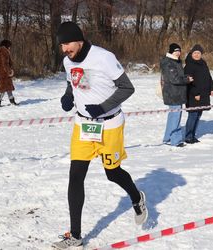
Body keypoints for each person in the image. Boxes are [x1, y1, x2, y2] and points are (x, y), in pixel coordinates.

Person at [52, 21, 148, 249]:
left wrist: (103, 107)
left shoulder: (103, 57)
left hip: (110, 125)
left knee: (112, 173)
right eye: (61, 45)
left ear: (79, 39)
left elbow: (127, 88)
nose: (65, 49)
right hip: (83, 125)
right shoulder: (67, 62)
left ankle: (137, 198)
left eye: (67, 43)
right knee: (75, 176)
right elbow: (73, 83)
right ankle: (75, 236)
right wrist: (68, 97)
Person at [160, 43, 193, 147]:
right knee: (175, 117)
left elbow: (178, 75)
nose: (178, 53)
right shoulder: (168, 62)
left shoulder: (176, 61)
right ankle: (175, 141)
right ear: (171, 52)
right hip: (173, 94)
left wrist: (186, 76)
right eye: (175, 51)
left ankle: (167, 138)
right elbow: (174, 79)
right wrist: (187, 79)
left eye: (179, 51)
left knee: (173, 116)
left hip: (177, 93)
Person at [184, 44, 213, 143]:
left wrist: (212, 88)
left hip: (204, 93)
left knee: (198, 115)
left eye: (199, 53)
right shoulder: (189, 65)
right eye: (195, 53)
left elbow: (208, 77)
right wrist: (195, 94)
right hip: (193, 94)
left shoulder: (203, 63)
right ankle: (188, 136)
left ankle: (193, 135)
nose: (197, 55)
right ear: (191, 53)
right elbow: (188, 82)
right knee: (193, 115)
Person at [0, 39, 18, 107]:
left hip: (2, 73)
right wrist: (9, 72)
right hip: (4, 73)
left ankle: (12, 101)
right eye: (9, 46)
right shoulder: (4, 52)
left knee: (8, 88)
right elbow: (5, 63)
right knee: (3, 89)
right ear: (6, 45)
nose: (10, 47)